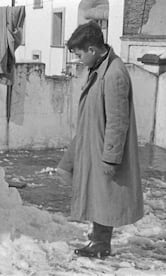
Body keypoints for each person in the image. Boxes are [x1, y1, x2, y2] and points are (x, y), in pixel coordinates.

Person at [57, 21, 143, 258]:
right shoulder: (99, 69)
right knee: (98, 194)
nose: (78, 59)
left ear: (93, 49)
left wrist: (111, 159)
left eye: (79, 54)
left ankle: (101, 244)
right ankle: (98, 239)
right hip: (92, 141)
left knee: (105, 196)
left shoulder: (114, 74)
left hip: (104, 146)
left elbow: (117, 121)